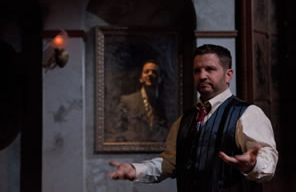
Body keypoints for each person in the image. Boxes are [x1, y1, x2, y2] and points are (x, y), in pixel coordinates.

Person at [107, 44, 278, 191]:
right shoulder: (184, 120)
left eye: (210, 69)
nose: (202, 75)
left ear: (228, 75)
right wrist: (135, 170)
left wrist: (253, 164)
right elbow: (169, 163)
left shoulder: (248, 113)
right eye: (197, 70)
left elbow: (268, 162)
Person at [105, 59, 169, 142]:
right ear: (141, 78)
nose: (150, 74)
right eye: (146, 71)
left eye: (154, 72)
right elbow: (118, 130)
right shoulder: (127, 101)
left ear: (160, 79)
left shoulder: (164, 106)